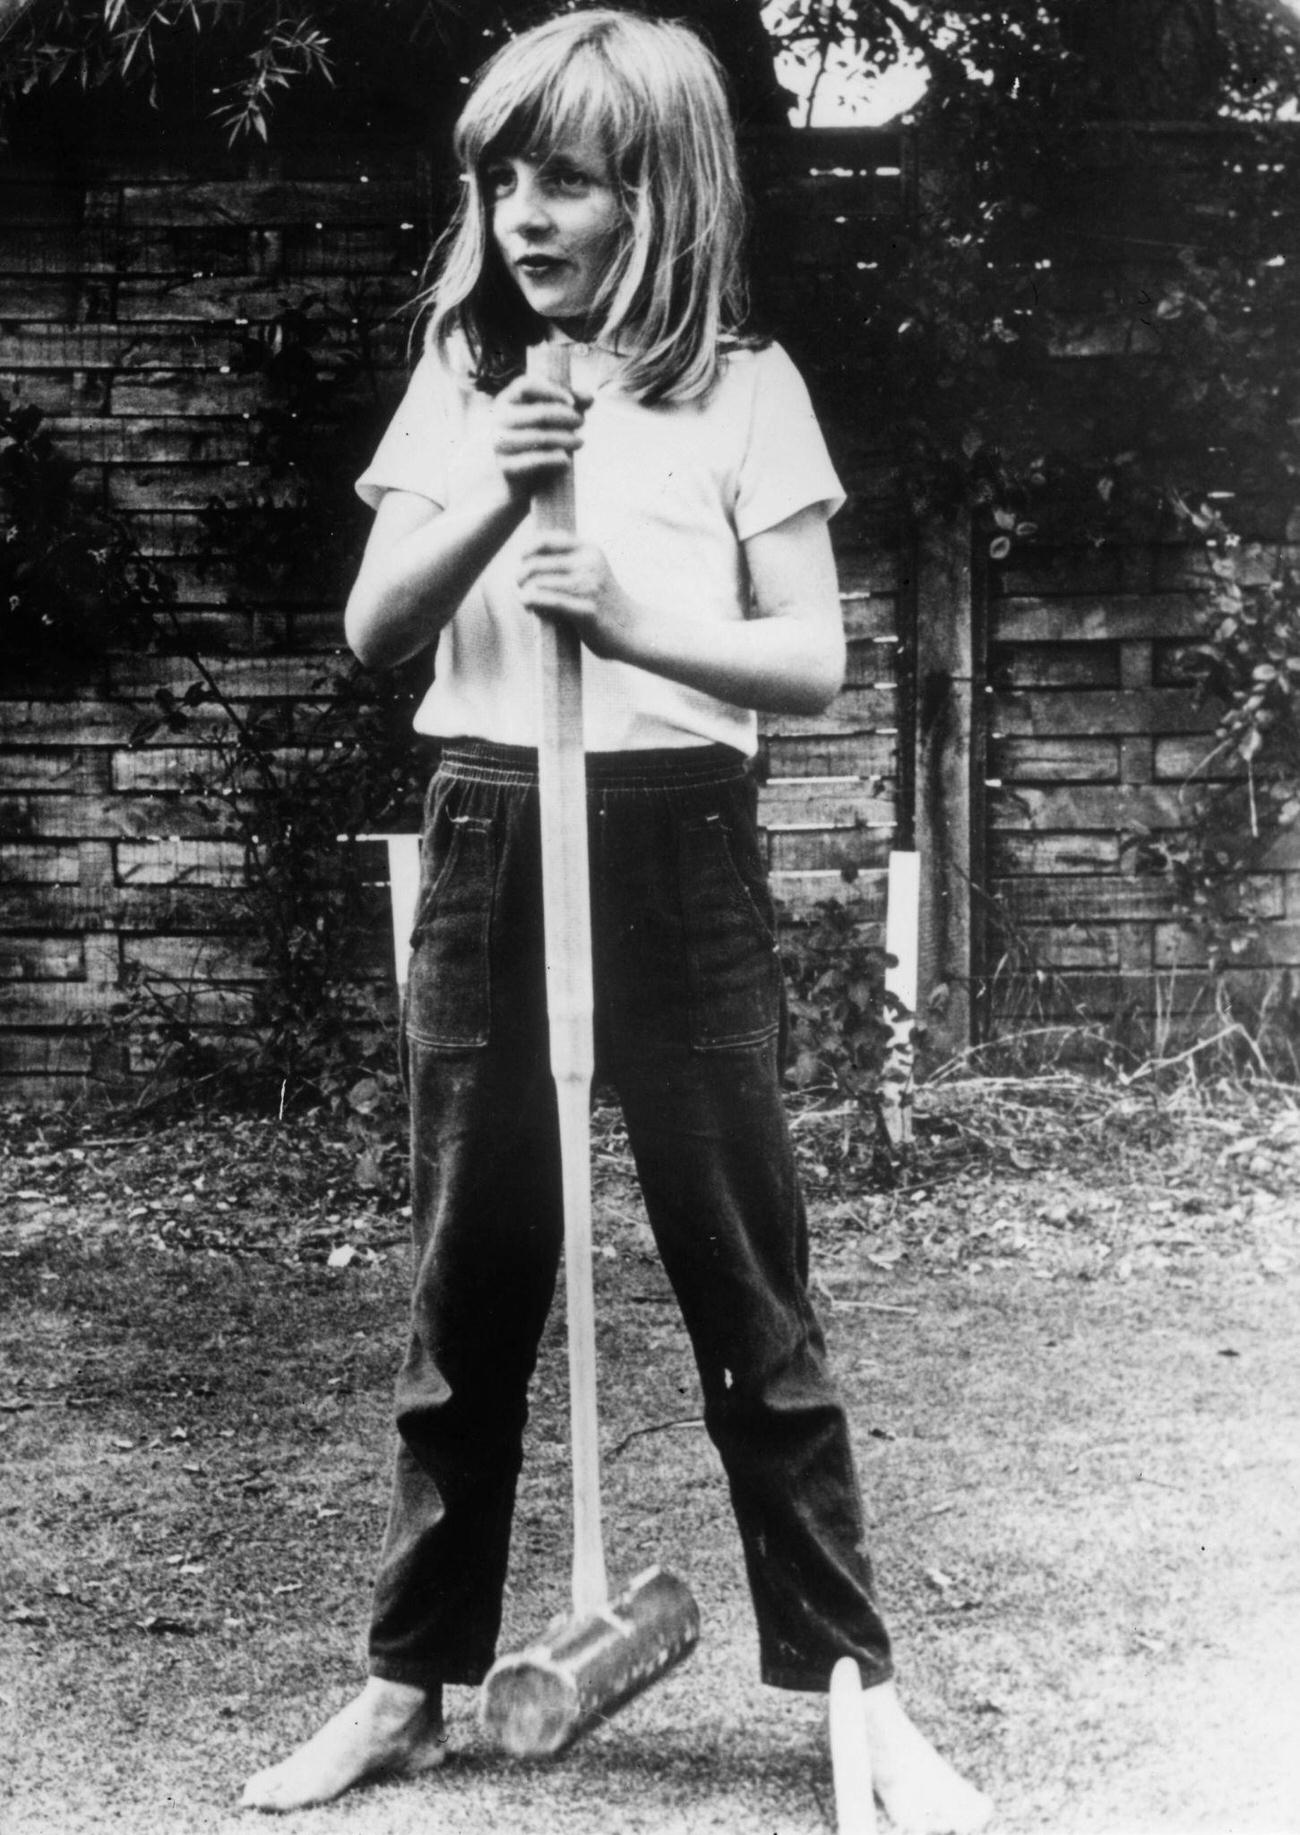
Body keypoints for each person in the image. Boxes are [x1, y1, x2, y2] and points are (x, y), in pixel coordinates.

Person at [239, 11, 992, 1831]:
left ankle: (855, 1700)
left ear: (659, 191)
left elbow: (806, 660)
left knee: (751, 1275)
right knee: (465, 1285)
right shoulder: (466, 382)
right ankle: (407, 1683)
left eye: (563, 176)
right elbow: (375, 630)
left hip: (674, 840)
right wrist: (503, 483)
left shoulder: (748, 388)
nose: (522, 212)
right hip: (496, 824)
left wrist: (638, 624)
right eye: (501, 177)